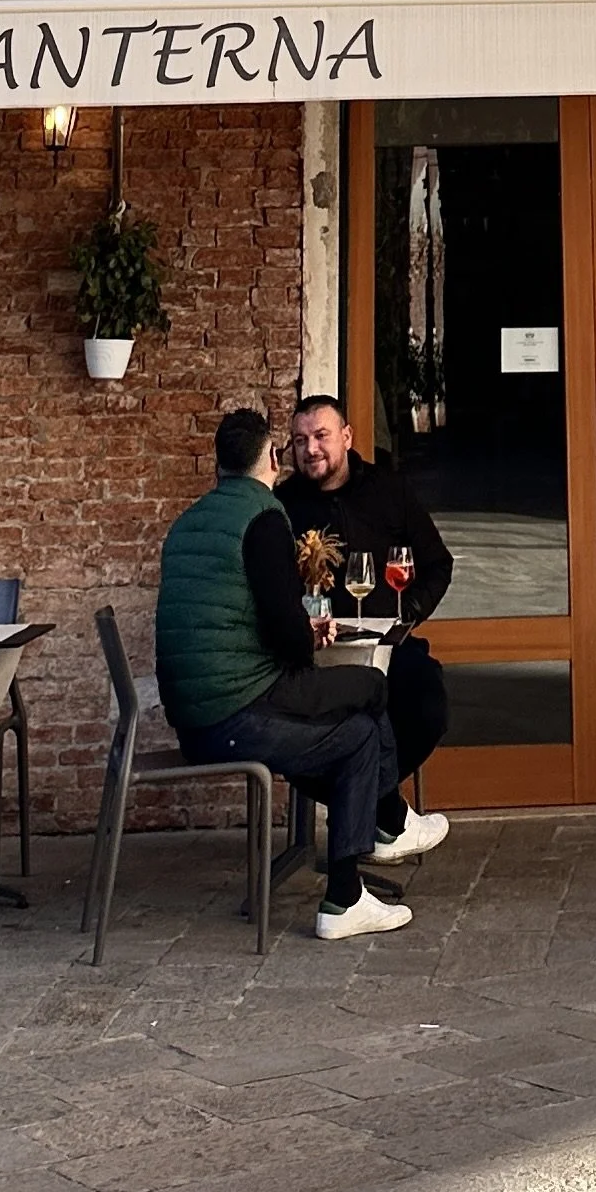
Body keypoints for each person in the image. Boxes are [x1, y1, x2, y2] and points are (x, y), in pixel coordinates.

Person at [155, 403, 448, 943]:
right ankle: (375, 841)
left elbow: (238, 615)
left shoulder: (188, 522)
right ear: (272, 455)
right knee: (367, 700)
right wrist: (305, 635)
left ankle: (361, 864)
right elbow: (285, 635)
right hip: (238, 712)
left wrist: (296, 632)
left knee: (361, 717)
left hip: (193, 717)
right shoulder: (264, 516)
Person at [279, 392, 453, 792]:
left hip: (387, 649)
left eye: (321, 436)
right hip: (318, 658)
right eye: (300, 440)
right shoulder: (282, 505)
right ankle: (375, 815)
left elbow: (438, 564)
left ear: (347, 437)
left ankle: (368, 804)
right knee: (301, 734)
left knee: (430, 707)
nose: (311, 449)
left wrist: (405, 615)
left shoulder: (389, 490)